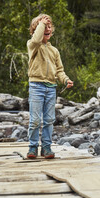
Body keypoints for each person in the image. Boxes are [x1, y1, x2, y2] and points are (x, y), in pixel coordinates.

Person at [26, 14, 73, 159]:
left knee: (49, 119)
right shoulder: (33, 45)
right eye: (43, 26)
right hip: (36, 86)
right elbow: (36, 39)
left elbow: (59, 70)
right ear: (36, 30)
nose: (47, 29)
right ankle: (33, 147)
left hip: (51, 88)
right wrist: (41, 23)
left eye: (49, 26)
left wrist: (65, 80)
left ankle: (46, 147)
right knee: (35, 120)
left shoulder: (55, 51)